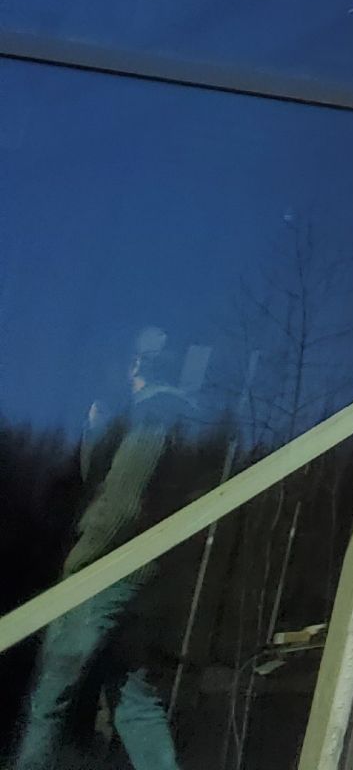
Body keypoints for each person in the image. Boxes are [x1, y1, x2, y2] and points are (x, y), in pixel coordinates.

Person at [11, 330, 205, 770]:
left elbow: (122, 503)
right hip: (143, 574)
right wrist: (96, 430)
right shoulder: (162, 416)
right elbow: (97, 476)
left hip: (107, 570)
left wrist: (81, 563)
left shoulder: (157, 412)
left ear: (137, 365)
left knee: (51, 696)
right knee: (134, 698)